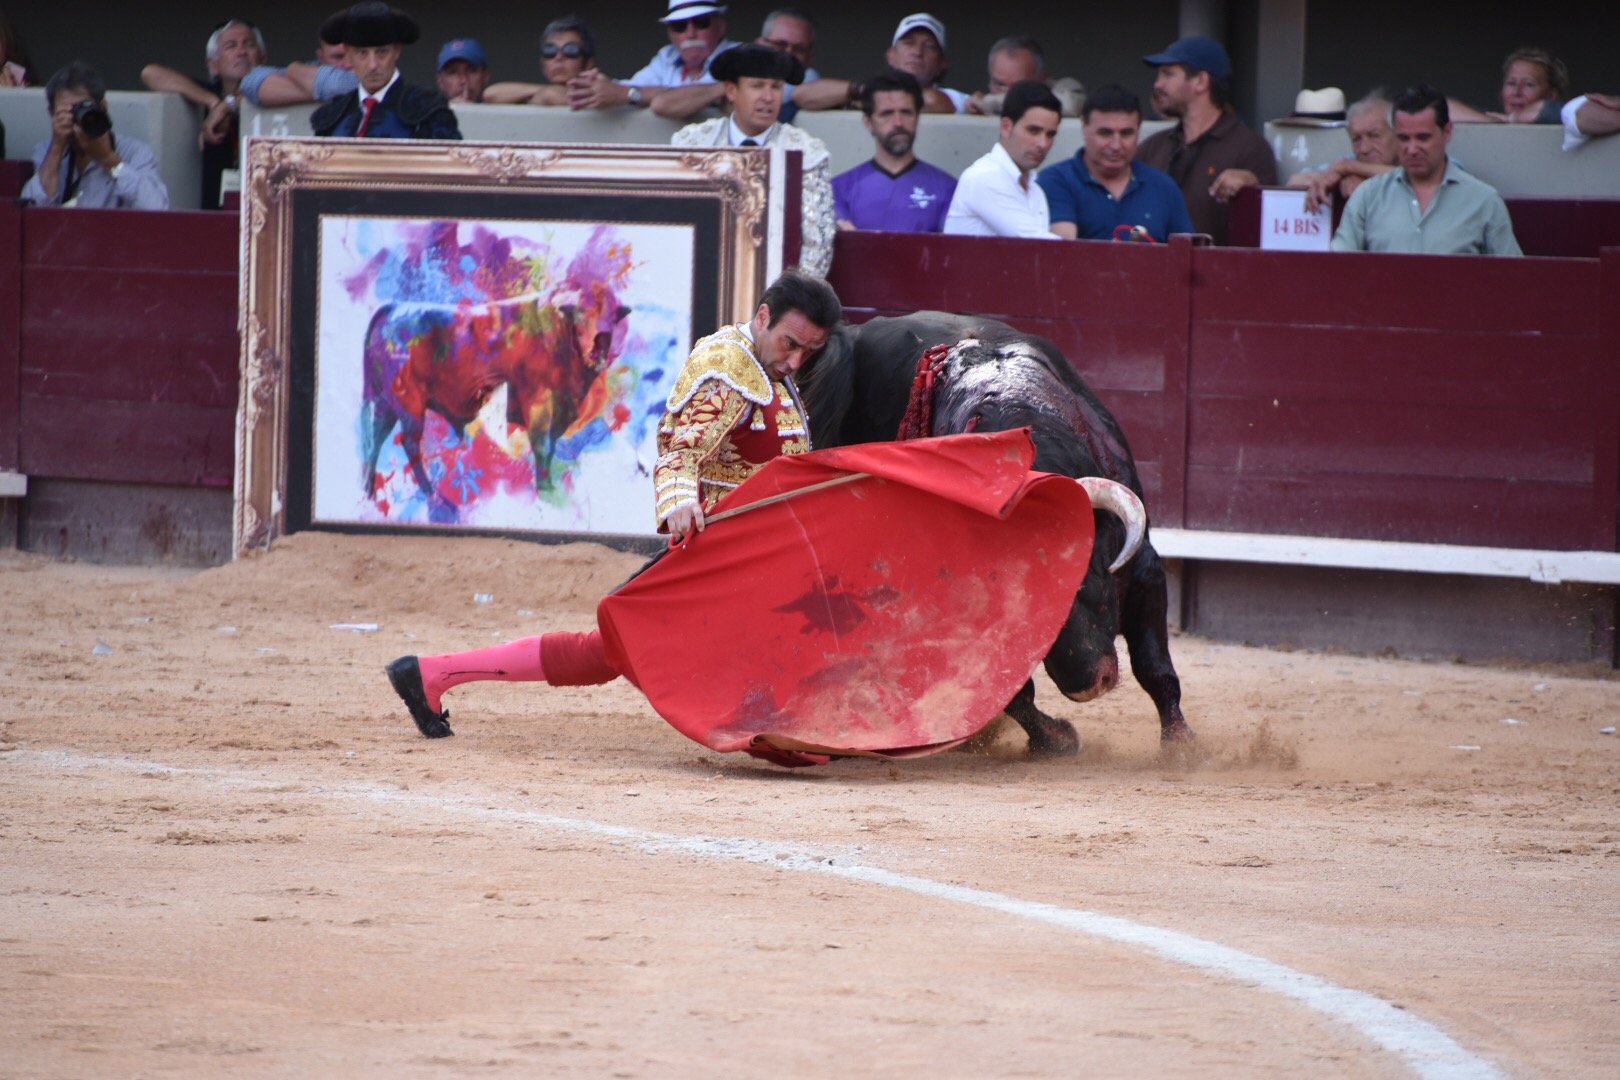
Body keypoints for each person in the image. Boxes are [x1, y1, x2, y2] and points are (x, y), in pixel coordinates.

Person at [383, 271, 842, 738]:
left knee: (613, 651)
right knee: (606, 652)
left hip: (749, 554)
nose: (796, 360)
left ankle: (431, 673)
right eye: (790, 344)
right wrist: (680, 498)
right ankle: (433, 673)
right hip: (719, 557)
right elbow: (681, 449)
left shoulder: (763, 367)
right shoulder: (729, 369)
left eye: (809, 351)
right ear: (763, 317)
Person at [670, 43, 836, 277]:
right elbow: (678, 222)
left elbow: (817, 243)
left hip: (777, 287)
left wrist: (787, 301)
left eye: (776, 87)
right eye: (757, 86)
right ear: (731, 91)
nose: (768, 97)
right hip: (702, 277)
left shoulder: (807, 152)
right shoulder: (692, 143)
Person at [1331, 84, 1521, 256]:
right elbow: (1339, 269)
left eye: (1423, 138)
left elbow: (1514, 279)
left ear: (1447, 133)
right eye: (1404, 139)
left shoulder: (1484, 201)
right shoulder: (1368, 196)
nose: (1412, 149)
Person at [1136, 35, 1277, 245]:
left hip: (1220, 275)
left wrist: (1251, 185)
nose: (1158, 84)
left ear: (1201, 81)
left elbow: (1267, 231)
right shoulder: (1152, 147)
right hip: (1151, 273)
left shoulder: (1250, 149)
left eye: (1168, 74)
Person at [1038, 82, 1193, 243]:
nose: (1116, 145)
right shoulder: (1055, 180)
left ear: (1139, 131)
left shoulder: (1164, 188)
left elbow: (1186, 257)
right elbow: (1062, 251)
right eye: (1105, 133)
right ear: (1084, 127)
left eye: (1126, 134)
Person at [140, 19, 267, 209]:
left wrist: (228, 106)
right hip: (210, 209)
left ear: (262, 58)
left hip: (261, 211)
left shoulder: (273, 92)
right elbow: (150, 73)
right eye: (231, 46)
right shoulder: (205, 93)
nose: (242, 52)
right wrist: (214, 103)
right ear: (213, 64)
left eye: (249, 44)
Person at [21, 62, 170, 210]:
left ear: (103, 108)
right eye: (67, 112)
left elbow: (157, 207)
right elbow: (31, 208)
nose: (77, 119)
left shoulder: (135, 153)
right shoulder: (46, 151)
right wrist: (57, 149)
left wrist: (108, 159)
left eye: (83, 109)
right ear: (52, 113)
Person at [309, 3, 461, 140]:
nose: (373, 65)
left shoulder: (428, 108)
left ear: (396, 51)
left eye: (382, 52)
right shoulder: (333, 114)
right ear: (348, 54)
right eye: (362, 53)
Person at [832, 71, 956, 233]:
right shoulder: (839, 189)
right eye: (887, 114)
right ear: (868, 122)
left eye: (906, 112)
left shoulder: (948, 188)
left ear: (918, 117)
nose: (898, 123)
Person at [651, 8, 820, 122]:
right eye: (780, 45)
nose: (788, 54)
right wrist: (722, 89)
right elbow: (662, 104)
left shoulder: (805, 76)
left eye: (799, 49)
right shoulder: (665, 56)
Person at [567, 0, 738, 111]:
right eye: (679, 26)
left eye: (701, 22)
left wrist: (628, 94)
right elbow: (624, 90)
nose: (690, 33)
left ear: (721, 26)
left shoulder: (740, 56)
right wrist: (597, 88)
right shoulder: (667, 57)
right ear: (670, 34)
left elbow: (657, 101)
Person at [942, 80, 1060, 239]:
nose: (1043, 144)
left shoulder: (1035, 190)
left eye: (1050, 134)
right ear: (1006, 127)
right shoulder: (985, 176)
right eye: (1033, 130)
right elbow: (1040, 245)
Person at [789, 12, 965, 115]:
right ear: (891, 56)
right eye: (909, 43)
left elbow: (934, 101)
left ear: (943, 63)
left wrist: (868, 97)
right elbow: (802, 95)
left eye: (929, 46)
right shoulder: (868, 90)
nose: (917, 52)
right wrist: (866, 89)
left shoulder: (956, 98)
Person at [1290, 91, 1399, 213]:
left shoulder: (1414, 160)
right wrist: (1340, 180)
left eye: (1374, 136)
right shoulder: (1347, 166)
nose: (1364, 148)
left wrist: (1347, 168)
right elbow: (1295, 181)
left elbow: (1406, 177)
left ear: (1398, 134)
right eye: (1356, 139)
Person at [483, 17, 597, 107]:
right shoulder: (540, 93)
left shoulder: (601, 92)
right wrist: (540, 92)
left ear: (588, 64)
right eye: (550, 51)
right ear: (543, 65)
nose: (558, 57)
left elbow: (551, 96)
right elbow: (490, 94)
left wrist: (545, 94)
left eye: (570, 50)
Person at [966, 35, 1084, 118]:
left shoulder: (1066, 88)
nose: (1006, 93)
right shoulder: (983, 103)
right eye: (1000, 85)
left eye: (1019, 86)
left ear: (1042, 78)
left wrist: (988, 103)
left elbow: (1070, 105)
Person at [1450, 47, 1568, 125]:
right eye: (1511, 83)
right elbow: (1441, 106)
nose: (1517, 92)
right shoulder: (1493, 118)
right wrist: (1491, 121)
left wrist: (1513, 119)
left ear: (1551, 94)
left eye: (1528, 84)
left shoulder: (1567, 118)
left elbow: (1552, 111)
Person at [239, 37, 357, 107]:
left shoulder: (300, 73)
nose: (348, 64)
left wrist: (294, 69)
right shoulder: (311, 68)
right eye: (338, 57)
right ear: (321, 57)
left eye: (357, 54)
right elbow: (251, 81)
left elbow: (338, 86)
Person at [435, 38, 489, 104]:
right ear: (440, 81)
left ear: (485, 76)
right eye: (453, 72)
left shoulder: (498, 110)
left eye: (472, 71)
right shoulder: (429, 112)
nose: (464, 80)